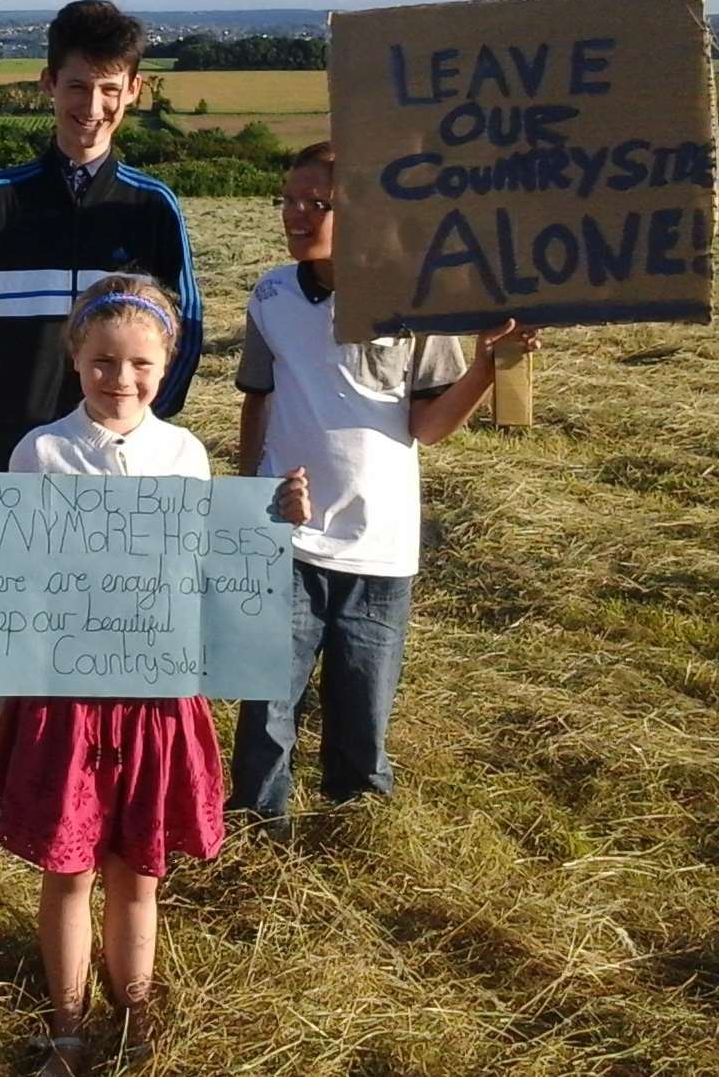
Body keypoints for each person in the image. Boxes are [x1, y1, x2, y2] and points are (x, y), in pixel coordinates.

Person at [0, 274, 308, 1073]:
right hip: (65, 699)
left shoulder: (187, 453)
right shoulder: (41, 450)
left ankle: (134, 1019)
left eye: (140, 362)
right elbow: (11, 566)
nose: (122, 378)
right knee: (68, 871)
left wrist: (274, 526)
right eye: (103, 360)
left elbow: (210, 566)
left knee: (140, 870)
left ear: (167, 364)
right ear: (75, 358)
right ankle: (66, 1025)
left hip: (157, 698)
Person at [227, 142, 540, 837]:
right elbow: (259, 400)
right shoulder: (272, 295)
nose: (295, 215)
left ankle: (357, 829)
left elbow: (426, 426)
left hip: (380, 550)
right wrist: (250, 499)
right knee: (267, 703)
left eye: (317, 204)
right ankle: (254, 824)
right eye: (288, 199)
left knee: (362, 708)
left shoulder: (413, 303)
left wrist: (485, 371)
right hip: (289, 540)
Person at [0, 0, 202, 473]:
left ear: (135, 90)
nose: (93, 106)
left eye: (109, 88)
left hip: (124, 455)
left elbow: (187, 323)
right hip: (17, 445)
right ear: (49, 83)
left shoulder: (153, 205)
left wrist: (150, 412)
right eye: (77, 86)